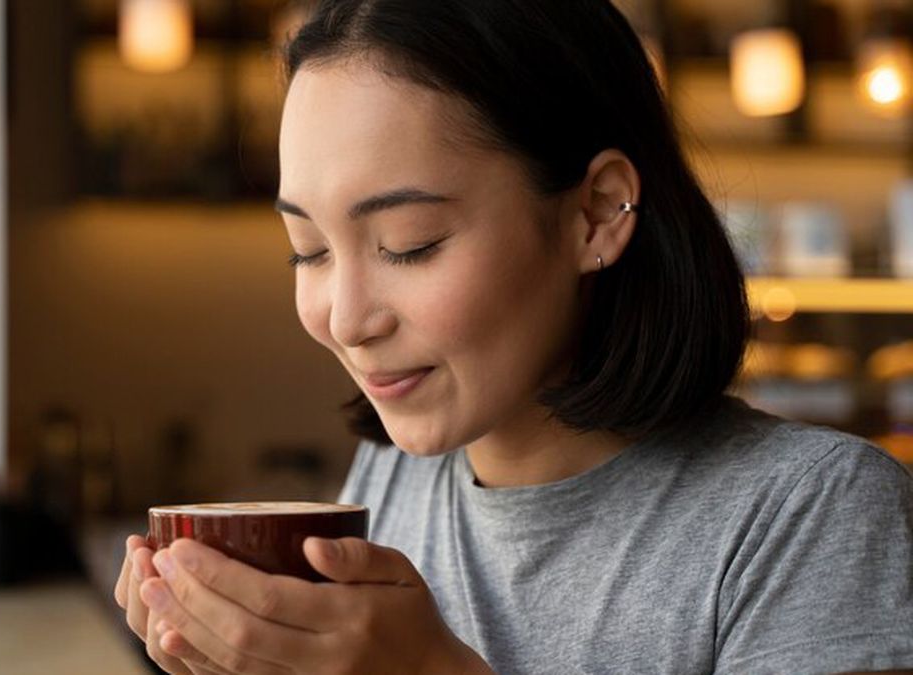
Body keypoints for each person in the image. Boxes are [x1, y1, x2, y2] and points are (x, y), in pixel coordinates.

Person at [113, 0, 913, 672]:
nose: (347, 320)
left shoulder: (813, 514)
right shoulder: (393, 477)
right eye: (309, 249)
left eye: (409, 243)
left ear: (596, 212)